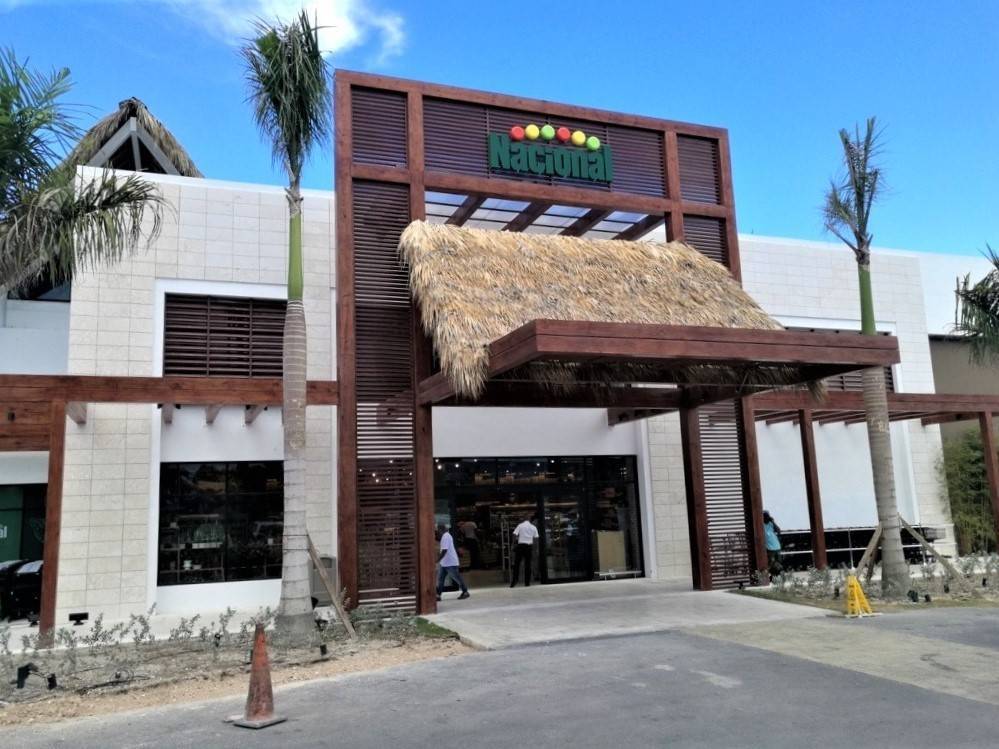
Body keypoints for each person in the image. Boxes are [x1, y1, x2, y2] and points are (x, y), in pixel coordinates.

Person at [436, 524, 470, 601]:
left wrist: (438, 560)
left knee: (457, 578)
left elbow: (444, 550)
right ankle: (438, 595)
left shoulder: (446, 536)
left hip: (450, 563)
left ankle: (465, 592)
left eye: (437, 530)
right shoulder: (445, 536)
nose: (437, 532)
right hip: (444, 563)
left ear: (440, 529)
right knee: (440, 579)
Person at [510, 514, 539, 588]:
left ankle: (515, 580)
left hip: (520, 546)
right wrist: (534, 549)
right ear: (530, 519)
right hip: (529, 547)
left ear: (524, 518)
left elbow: (514, 534)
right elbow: (536, 539)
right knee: (528, 564)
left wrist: (513, 544)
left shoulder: (520, 525)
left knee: (517, 564)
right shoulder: (533, 527)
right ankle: (527, 582)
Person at [763, 510, 782, 576]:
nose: (766, 517)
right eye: (765, 516)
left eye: (767, 516)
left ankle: (777, 576)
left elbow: (779, 531)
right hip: (769, 548)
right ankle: (771, 576)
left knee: (778, 563)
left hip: (777, 546)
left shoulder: (771, 524)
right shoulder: (761, 525)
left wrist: (773, 522)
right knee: (771, 564)